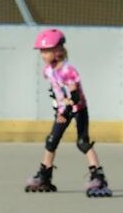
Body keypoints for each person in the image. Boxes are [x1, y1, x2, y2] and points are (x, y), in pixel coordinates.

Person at [25, 29, 111, 197]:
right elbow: (55, 91)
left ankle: (98, 176)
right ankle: (44, 174)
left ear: (58, 51)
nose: (43, 55)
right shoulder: (48, 71)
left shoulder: (68, 70)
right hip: (63, 110)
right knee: (51, 140)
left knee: (82, 143)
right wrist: (58, 109)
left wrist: (66, 108)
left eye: (46, 51)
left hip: (78, 109)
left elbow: (75, 95)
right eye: (42, 51)